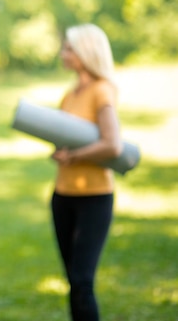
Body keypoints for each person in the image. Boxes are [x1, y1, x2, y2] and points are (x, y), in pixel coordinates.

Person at [50, 24, 122, 321]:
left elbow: (112, 145)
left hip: (94, 197)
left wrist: (75, 156)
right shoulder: (70, 94)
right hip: (62, 196)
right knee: (72, 280)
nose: (63, 53)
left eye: (69, 48)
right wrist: (60, 153)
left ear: (85, 52)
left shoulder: (102, 91)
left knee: (82, 280)